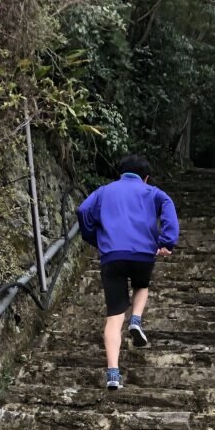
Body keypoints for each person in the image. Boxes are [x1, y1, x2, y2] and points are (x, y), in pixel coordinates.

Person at [78, 154, 179, 388]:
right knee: (142, 285)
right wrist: (166, 242)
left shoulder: (105, 191)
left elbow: (83, 210)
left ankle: (113, 374)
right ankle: (136, 319)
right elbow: (169, 209)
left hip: (112, 255)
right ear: (145, 177)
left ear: (120, 174)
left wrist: (93, 237)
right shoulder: (153, 192)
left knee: (113, 317)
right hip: (143, 253)